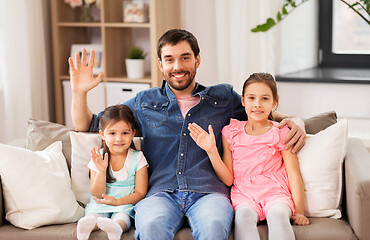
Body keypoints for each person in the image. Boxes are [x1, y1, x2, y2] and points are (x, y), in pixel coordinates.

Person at [68, 29, 306, 240]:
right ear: (160, 64)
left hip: (209, 193)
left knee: (214, 227)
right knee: (150, 227)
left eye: (185, 57)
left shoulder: (222, 97)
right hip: (161, 193)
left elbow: (259, 111)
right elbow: (89, 124)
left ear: (197, 60)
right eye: (169, 59)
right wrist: (79, 93)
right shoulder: (144, 101)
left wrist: (295, 122)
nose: (177, 66)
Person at [188, 72, 309, 240]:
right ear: (243, 101)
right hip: (245, 195)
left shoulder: (281, 132)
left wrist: (300, 211)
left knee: (278, 214)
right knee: (243, 217)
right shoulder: (231, 132)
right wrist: (211, 151)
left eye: (264, 99)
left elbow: (294, 174)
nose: (257, 104)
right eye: (251, 98)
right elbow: (229, 179)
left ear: (274, 102)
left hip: (276, 193)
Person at [76, 104, 148, 240]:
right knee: (94, 216)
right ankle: (88, 227)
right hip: (100, 204)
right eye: (112, 133)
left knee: (122, 217)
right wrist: (101, 171)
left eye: (125, 133)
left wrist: (117, 202)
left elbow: (140, 192)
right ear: (102, 134)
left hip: (124, 204)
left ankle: (116, 228)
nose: (119, 139)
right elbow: (96, 193)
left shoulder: (138, 158)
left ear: (133, 133)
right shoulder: (98, 157)